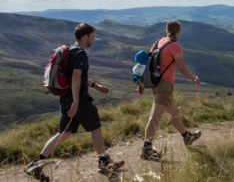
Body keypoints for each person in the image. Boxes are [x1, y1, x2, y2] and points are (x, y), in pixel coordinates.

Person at [25, 23, 124, 181]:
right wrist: (76, 101)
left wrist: (95, 86)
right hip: (77, 100)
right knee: (96, 128)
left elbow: (78, 76)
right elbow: (76, 76)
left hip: (65, 98)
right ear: (85, 37)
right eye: (92, 36)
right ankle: (105, 164)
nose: (94, 38)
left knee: (63, 133)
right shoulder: (80, 54)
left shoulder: (70, 51)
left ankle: (35, 165)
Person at [136, 20, 202, 161]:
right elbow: (182, 67)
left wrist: (141, 84)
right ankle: (146, 148)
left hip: (156, 84)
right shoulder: (175, 46)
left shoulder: (158, 42)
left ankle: (187, 137)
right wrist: (194, 78)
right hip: (164, 86)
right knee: (154, 117)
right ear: (178, 32)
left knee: (175, 112)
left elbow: (147, 65)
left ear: (167, 30)